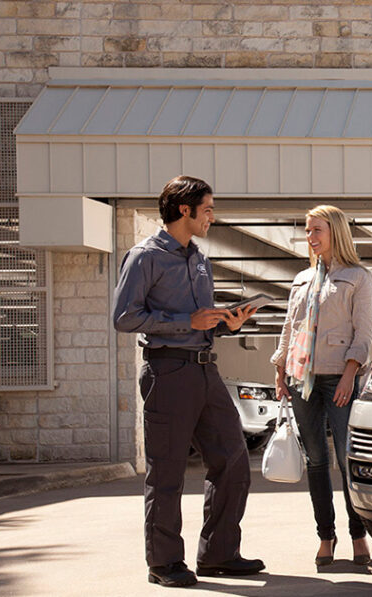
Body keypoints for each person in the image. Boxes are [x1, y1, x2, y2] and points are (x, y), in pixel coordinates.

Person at [113, 175, 265, 588]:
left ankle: (218, 554)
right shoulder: (145, 256)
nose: (213, 217)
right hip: (167, 372)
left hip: (205, 368)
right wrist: (186, 322)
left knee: (233, 458)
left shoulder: (199, 258)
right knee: (167, 472)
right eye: (209, 209)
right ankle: (164, 563)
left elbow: (202, 323)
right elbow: (123, 317)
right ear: (185, 210)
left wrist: (227, 322)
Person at [271, 205, 372, 567]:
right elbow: (290, 328)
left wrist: (350, 375)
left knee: (348, 461)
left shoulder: (359, 278)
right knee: (316, 460)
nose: (310, 237)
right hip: (302, 380)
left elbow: (364, 334)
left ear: (336, 233)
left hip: (339, 378)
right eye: (307, 231)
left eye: (317, 230)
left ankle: (358, 534)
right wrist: (279, 369)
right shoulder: (301, 279)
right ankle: (325, 536)